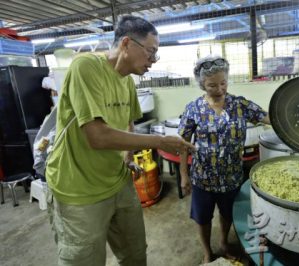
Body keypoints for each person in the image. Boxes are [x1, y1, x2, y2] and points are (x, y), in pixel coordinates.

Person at [45, 15, 194, 266]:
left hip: (118, 182)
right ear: (126, 44)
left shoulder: (127, 82)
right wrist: (159, 142)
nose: (153, 60)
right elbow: (98, 136)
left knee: (135, 254)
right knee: (84, 260)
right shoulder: (86, 66)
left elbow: (128, 121)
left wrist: (127, 158)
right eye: (150, 52)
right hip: (79, 189)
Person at [178, 55, 270, 263]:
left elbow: (267, 117)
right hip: (203, 177)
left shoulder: (239, 105)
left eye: (223, 83)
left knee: (228, 214)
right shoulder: (193, 109)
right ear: (202, 85)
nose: (219, 89)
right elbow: (182, 145)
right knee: (202, 218)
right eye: (212, 85)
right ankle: (207, 252)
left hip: (231, 176)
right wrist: (184, 175)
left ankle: (223, 243)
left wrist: (289, 118)